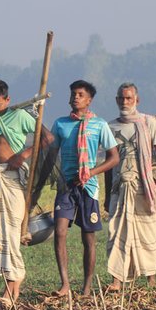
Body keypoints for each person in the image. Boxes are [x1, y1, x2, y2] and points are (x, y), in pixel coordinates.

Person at [104, 83, 156, 290]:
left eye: (129, 98)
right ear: (117, 100)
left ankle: (150, 277)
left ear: (137, 99)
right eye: (122, 98)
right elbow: (110, 164)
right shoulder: (110, 127)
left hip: (143, 187)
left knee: (146, 232)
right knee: (116, 232)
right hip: (120, 187)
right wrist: (107, 195)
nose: (125, 102)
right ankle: (117, 280)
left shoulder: (148, 123)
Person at [49, 80, 119, 296]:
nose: (75, 98)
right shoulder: (60, 124)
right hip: (66, 186)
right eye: (73, 94)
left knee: (88, 238)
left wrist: (92, 172)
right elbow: (51, 154)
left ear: (89, 100)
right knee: (59, 232)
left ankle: (87, 287)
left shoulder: (100, 125)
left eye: (80, 94)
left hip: (88, 187)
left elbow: (113, 157)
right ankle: (65, 284)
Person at [0, 79, 44, 302]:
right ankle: (11, 281)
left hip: (12, 180)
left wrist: (23, 155)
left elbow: (45, 139)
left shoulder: (19, 116)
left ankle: (12, 290)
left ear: (7, 100)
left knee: (9, 233)